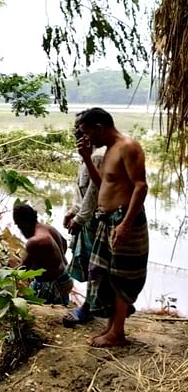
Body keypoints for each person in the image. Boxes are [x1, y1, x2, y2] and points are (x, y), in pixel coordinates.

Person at [75, 107, 148, 347]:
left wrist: (126, 223)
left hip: (123, 219)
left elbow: (140, 186)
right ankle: (111, 328)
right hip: (106, 220)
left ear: (99, 127)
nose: (85, 138)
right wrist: (87, 158)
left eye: (87, 133)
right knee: (103, 273)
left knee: (122, 276)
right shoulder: (106, 151)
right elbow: (102, 185)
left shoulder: (128, 146)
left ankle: (118, 333)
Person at [62, 136, 107, 327]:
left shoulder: (97, 157)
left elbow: (94, 193)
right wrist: (72, 211)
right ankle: (94, 305)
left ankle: (90, 307)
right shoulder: (88, 156)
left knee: (95, 266)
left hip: (93, 221)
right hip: (86, 219)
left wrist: (79, 218)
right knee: (91, 265)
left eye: (81, 133)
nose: (77, 138)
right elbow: (81, 190)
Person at [12, 203, 73, 305]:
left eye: (18, 226)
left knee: (32, 306)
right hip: (65, 277)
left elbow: (22, 268)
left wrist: (0, 271)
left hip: (53, 284)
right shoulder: (49, 229)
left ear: (23, 223)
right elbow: (64, 243)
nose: (20, 229)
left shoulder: (35, 241)